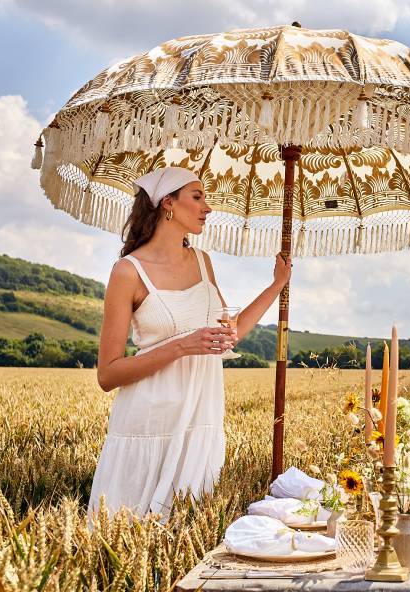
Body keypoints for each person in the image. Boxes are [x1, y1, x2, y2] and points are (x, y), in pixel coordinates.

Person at [88, 166, 291, 520]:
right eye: (197, 197)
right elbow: (108, 374)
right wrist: (182, 346)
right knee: (132, 531)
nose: (207, 207)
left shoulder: (203, 262)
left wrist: (276, 285)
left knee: (188, 529)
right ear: (168, 203)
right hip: (150, 425)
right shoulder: (128, 272)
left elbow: (230, 333)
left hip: (201, 419)